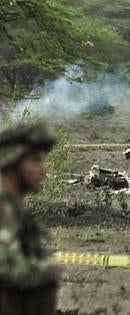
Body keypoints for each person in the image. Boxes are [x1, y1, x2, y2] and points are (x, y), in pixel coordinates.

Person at [0, 122, 60, 315]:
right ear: (11, 163)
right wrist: (50, 269)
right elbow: (9, 270)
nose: (43, 169)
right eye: (35, 160)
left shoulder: (17, 210)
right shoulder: (4, 211)